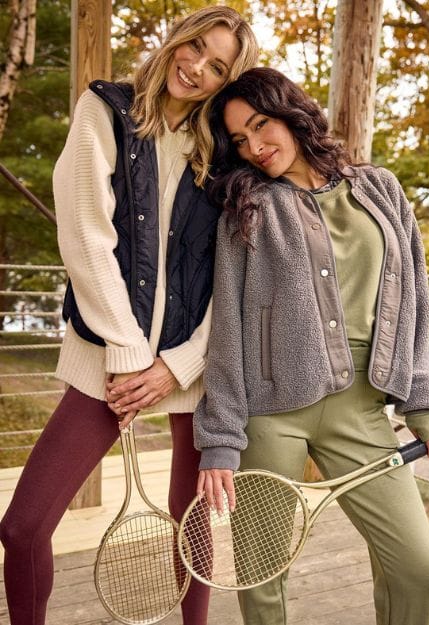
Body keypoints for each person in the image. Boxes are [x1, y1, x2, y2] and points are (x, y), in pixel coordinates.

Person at [0, 8, 258, 625]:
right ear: (177, 39)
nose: (196, 67)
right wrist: (129, 354)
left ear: (226, 82)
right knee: (23, 526)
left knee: (191, 524)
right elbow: (86, 235)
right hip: (110, 355)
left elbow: (234, 274)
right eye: (195, 47)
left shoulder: (224, 149)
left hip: (191, 364)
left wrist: (178, 365)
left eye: (217, 66)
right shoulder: (105, 109)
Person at [194, 67, 429, 625]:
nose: (255, 147)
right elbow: (228, 331)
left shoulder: (380, 188)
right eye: (240, 140)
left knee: (417, 570)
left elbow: (415, 302)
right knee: (264, 579)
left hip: (362, 408)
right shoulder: (248, 208)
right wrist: (220, 437)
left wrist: (427, 401)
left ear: (291, 113)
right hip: (270, 415)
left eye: (262, 125)